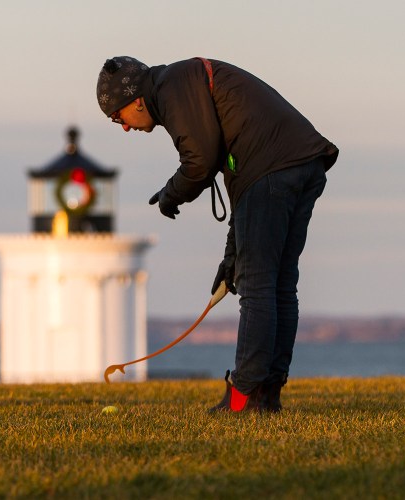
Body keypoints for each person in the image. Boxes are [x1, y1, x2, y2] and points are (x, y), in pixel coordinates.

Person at [96, 56, 338, 412]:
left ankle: (244, 396)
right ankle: (268, 393)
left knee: (258, 284)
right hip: (303, 163)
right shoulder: (182, 83)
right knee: (280, 283)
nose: (124, 128)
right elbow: (239, 184)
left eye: (117, 118)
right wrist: (231, 258)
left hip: (274, 168)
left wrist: (170, 194)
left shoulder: (172, 87)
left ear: (134, 100)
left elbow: (200, 162)